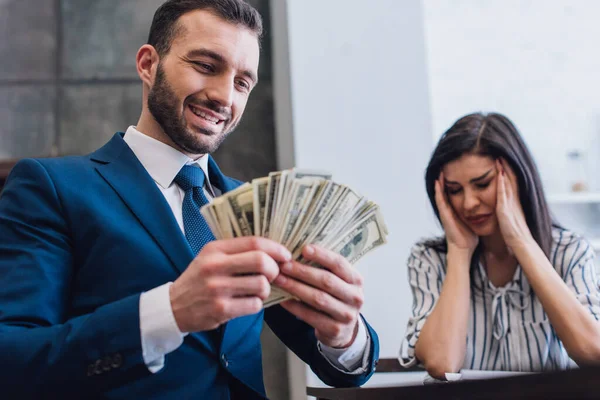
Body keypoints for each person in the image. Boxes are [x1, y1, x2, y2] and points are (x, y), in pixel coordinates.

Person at [0, 1, 379, 398]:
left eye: (242, 82)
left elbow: (343, 369)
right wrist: (169, 312)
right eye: (205, 66)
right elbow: (11, 360)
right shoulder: (52, 187)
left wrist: (344, 334)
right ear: (148, 65)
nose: (224, 96)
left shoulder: (257, 208)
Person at [399, 112, 600, 379]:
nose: (469, 203)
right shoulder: (429, 259)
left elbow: (593, 351)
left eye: (482, 184)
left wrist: (520, 239)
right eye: (455, 190)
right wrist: (459, 252)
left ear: (517, 178)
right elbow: (441, 363)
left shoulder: (570, 252)